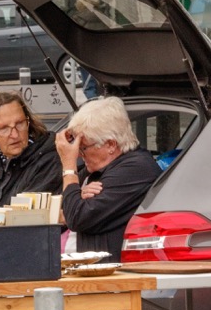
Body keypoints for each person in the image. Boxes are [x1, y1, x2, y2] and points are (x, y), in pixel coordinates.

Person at [56, 96, 161, 260]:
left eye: (83, 147)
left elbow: (77, 218)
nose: (78, 154)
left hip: (103, 276)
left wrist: (69, 167)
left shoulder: (136, 169)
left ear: (111, 145)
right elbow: (62, 207)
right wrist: (76, 194)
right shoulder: (97, 167)